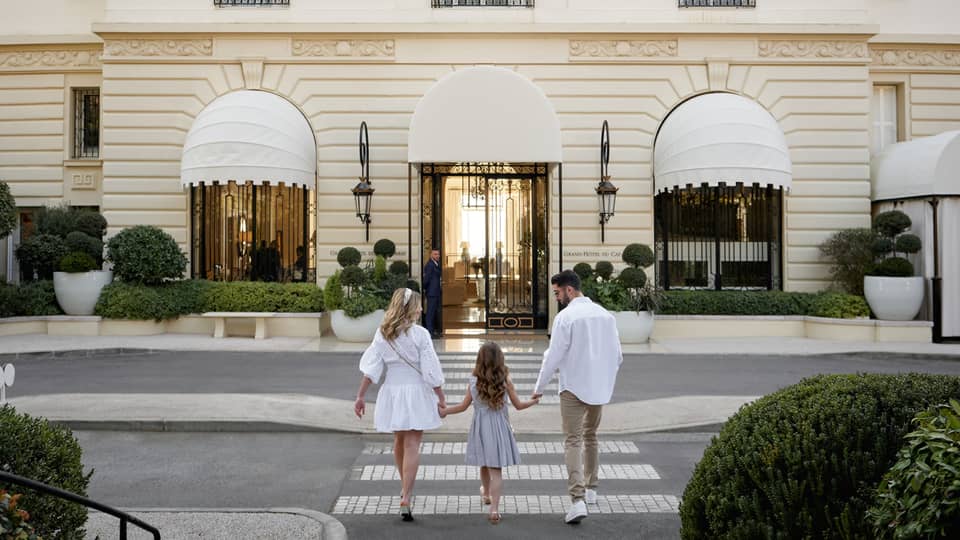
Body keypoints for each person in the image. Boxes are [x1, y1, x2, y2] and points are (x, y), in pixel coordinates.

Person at [532, 269, 623, 525]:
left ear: (569, 290)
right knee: (591, 435)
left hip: (572, 387)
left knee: (573, 440)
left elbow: (554, 356)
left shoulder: (566, 318)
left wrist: (539, 387)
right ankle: (591, 489)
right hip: (598, 387)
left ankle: (577, 499)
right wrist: (605, 378)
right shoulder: (606, 316)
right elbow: (618, 356)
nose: (557, 297)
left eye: (557, 292)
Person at [355, 287, 446, 522]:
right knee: (413, 444)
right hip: (416, 391)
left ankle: (404, 487)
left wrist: (361, 396)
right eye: (418, 304)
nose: (422, 308)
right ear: (410, 307)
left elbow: (372, 368)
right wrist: (440, 395)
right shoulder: (421, 334)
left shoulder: (382, 333)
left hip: (393, 391)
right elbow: (430, 369)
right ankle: (406, 494)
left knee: (399, 441)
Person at [440, 342, 540, 524]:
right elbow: (518, 405)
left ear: (480, 360)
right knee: (496, 470)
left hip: (481, 427)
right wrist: (533, 401)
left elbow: (463, 407)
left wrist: (445, 411)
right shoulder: (506, 381)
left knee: (484, 463)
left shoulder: (473, 381)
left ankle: (486, 494)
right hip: (499, 427)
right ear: (500, 360)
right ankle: (494, 508)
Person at [422, 248, 442, 338]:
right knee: (430, 313)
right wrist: (425, 288)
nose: (437, 256)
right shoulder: (430, 265)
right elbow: (426, 279)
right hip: (432, 293)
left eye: (438, 254)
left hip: (436, 292)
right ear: (431, 255)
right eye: (435, 254)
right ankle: (429, 332)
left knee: (434, 312)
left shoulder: (436, 264)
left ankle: (433, 331)